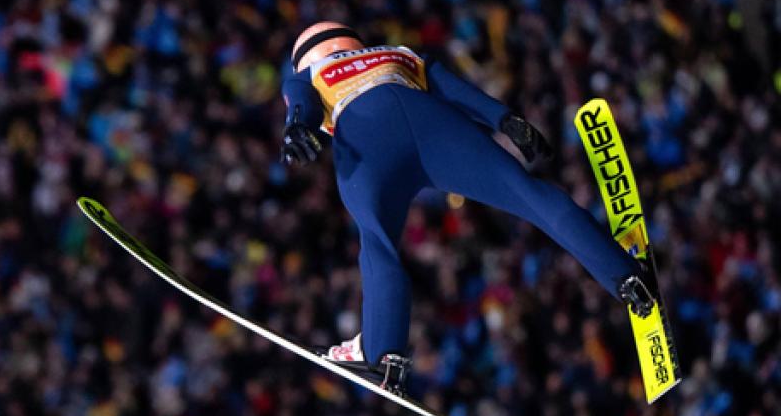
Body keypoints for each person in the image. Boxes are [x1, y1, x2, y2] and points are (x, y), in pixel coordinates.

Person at [280, 22, 658, 392]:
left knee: (377, 244)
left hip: (366, 137)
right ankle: (624, 274)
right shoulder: (396, 52)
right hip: (433, 123)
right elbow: (452, 87)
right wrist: (505, 120)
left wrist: (297, 126)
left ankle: (383, 354)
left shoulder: (309, 72)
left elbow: (301, 103)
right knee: (528, 195)